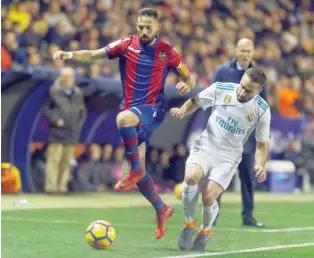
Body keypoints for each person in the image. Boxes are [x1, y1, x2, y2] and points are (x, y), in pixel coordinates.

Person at [52, 8, 195, 239]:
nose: (144, 31)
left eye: (149, 27)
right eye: (140, 27)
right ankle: (162, 209)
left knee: (123, 120)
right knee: (140, 174)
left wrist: (187, 85)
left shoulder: (167, 51)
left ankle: (135, 172)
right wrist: (68, 55)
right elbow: (93, 54)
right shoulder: (126, 45)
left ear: (158, 27)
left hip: (153, 110)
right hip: (132, 110)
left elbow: (188, 76)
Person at [170, 68, 270, 251]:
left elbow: (262, 144)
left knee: (208, 197)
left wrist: (260, 165)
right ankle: (189, 224)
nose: (241, 91)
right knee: (191, 178)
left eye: (248, 90)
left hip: (228, 156)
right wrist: (183, 111)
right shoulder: (221, 88)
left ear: (259, 91)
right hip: (206, 144)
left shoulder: (262, 110)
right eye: (242, 86)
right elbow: (196, 101)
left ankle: (206, 230)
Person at [212, 38, 267, 227]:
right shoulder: (222, 72)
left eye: (248, 51)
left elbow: (263, 107)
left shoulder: (259, 76)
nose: (245, 55)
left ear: (253, 53)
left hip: (246, 138)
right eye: (242, 51)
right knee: (219, 177)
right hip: (223, 135)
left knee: (247, 178)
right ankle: (213, 215)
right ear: (235, 51)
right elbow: (212, 98)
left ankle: (248, 216)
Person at [41, 67, 87, 195]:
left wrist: (78, 124)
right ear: (61, 77)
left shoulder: (77, 93)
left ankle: (62, 187)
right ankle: (51, 187)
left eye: (70, 77)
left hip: (72, 132)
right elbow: (45, 109)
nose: (67, 80)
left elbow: (82, 111)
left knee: (67, 161)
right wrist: (56, 120)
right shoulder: (53, 91)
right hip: (57, 131)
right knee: (54, 159)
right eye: (65, 77)